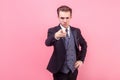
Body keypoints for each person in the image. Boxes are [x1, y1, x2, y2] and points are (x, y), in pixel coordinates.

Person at [45, 5, 87, 80]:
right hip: (59, 70)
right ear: (58, 17)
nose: (65, 21)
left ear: (71, 17)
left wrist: (81, 60)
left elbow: (84, 45)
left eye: (67, 18)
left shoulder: (76, 31)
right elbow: (47, 43)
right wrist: (55, 36)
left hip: (73, 70)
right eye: (62, 18)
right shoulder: (53, 30)